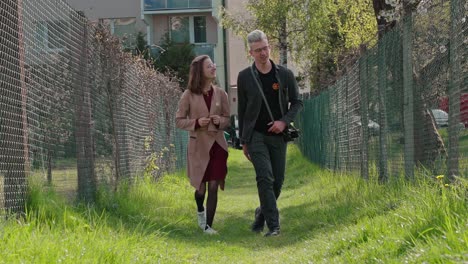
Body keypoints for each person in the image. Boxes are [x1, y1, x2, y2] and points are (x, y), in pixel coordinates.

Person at [237, 30, 303, 237]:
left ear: (270, 47)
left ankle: (261, 213)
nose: (263, 53)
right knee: (264, 178)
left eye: (265, 48)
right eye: (258, 50)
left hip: (278, 136)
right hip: (256, 135)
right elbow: (243, 110)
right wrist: (244, 141)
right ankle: (274, 226)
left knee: (277, 181)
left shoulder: (285, 74)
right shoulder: (244, 77)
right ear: (251, 53)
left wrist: (284, 122)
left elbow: (297, 102)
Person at [176, 55, 230, 235]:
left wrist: (219, 121)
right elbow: (179, 121)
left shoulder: (221, 93)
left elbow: (227, 119)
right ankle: (201, 211)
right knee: (201, 189)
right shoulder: (188, 95)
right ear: (200, 71)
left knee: (214, 186)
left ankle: (208, 226)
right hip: (198, 147)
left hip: (217, 146)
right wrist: (197, 122)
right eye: (209, 66)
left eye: (213, 64)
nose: (214, 67)